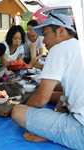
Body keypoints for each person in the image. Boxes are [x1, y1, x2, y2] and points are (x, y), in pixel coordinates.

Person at [11, 13, 84, 149]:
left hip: (80, 131)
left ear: (61, 31)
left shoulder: (59, 49)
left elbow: (41, 99)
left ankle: (47, 132)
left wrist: (27, 105)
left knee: (18, 111)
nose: (43, 41)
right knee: (60, 98)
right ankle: (48, 130)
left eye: (45, 34)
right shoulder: (78, 46)